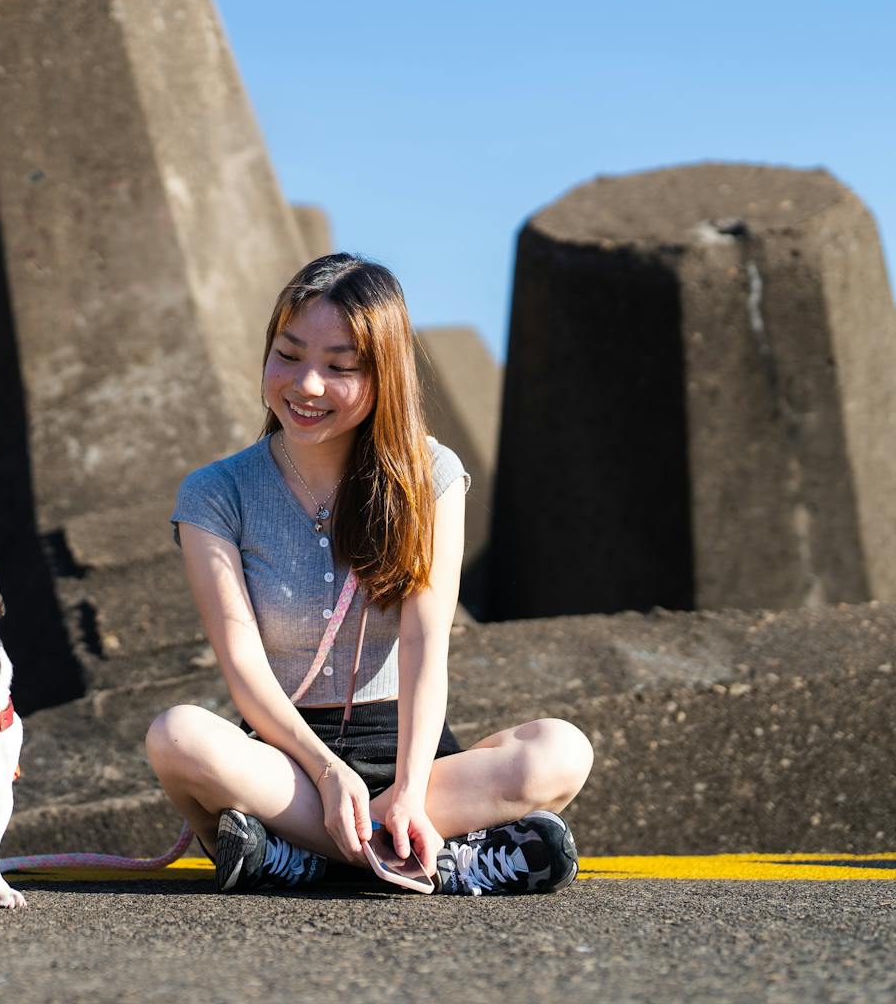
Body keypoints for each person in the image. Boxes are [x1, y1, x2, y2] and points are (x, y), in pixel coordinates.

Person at [144, 254, 593, 894]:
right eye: (288, 354)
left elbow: (424, 640)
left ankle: (304, 855)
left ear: (383, 375)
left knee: (562, 749)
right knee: (177, 736)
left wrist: (409, 786)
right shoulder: (216, 493)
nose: (307, 385)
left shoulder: (430, 474)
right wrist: (327, 774)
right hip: (288, 759)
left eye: (340, 366)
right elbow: (241, 664)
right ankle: (440, 860)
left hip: (412, 749)